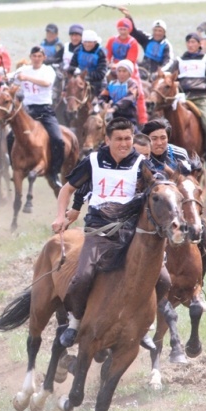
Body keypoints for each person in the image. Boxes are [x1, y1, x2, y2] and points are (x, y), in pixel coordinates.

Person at [52, 118, 145, 347]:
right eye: (119, 139)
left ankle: (146, 327)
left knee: (161, 278)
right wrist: (60, 215)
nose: (124, 144)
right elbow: (67, 189)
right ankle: (75, 323)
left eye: (128, 139)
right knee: (83, 276)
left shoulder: (141, 163)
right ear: (107, 140)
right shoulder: (93, 161)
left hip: (130, 232)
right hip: (99, 230)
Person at [161, 32, 206, 175]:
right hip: (182, 98)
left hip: (201, 97)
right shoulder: (179, 60)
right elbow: (167, 75)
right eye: (189, 42)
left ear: (199, 44)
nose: (191, 45)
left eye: (194, 42)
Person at [10, 46, 63, 186]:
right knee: (9, 137)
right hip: (27, 110)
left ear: (44, 58)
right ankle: (15, 168)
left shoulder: (48, 70)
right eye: (34, 56)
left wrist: (26, 78)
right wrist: (10, 78)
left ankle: (54, 172)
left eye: (39, 56)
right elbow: (12, 80)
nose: (37, 59)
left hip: (44, 109)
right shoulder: (23, 69)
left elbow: (46, 83)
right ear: (30, 57)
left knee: (58, 138)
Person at [121, 10, 174, 76]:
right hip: (143, 68)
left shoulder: (166, 45)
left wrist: (160, 71)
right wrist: (128, 16)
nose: (157, 33)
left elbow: (169, 62)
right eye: (155, 30)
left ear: (164, 32)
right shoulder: (147, 39)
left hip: (156, 72)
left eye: (160, 31)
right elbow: (134, 32)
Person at [68, 30, 107, 97]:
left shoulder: (100, 53)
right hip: (79, 80)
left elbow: (101, 73)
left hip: (96, 83)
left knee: (97, 102)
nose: (87, 45)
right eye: (85, 42)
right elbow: (71, 67)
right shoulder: (78, 50)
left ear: (95, 42)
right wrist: (75, 70)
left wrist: (84, 75)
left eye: (90, 42)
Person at [100, 60, 140, 126]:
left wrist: (115, 108)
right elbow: (102, 96)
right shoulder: (112, 84)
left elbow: (128, 99)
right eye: (119, 71)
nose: (121, 73)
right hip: (111, 117)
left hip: (128, 118)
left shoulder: (132, 85)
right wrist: (103, 104)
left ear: (129, 73)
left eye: (124, 71)